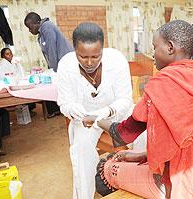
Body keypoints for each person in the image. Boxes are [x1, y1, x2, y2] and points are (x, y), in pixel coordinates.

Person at [83, 20, 193, 198]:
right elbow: (184, 139)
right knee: (127, 158)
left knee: (103, 168)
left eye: (154, 47)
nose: (152, 54)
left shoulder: (163, 84)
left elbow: (123, 132)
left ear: (170, 47)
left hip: (175, 182)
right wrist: (142, 155)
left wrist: (96, 120)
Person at [57, 22, 133, 199]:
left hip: (116, 115)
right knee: (81, 151)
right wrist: (73, 109)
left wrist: (104, 112)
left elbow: (125, 100)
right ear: (74, 49)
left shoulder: (117, 60)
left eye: (96, 56)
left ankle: (144, 186)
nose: (90, 62)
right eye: (82, 56)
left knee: (145, 135)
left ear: (103, 49)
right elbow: (64, 103)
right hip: (85, 120)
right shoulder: (66, 65)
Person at [24, 12, 73, 118]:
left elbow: (51, 50)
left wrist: (54, 70)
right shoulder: (41, 33)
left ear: (37, 22)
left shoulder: (46, 27)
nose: (30, 30)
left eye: (30, 27)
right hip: (61, 62)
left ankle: (70, 110)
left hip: (66, 62)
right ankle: (60, 109)